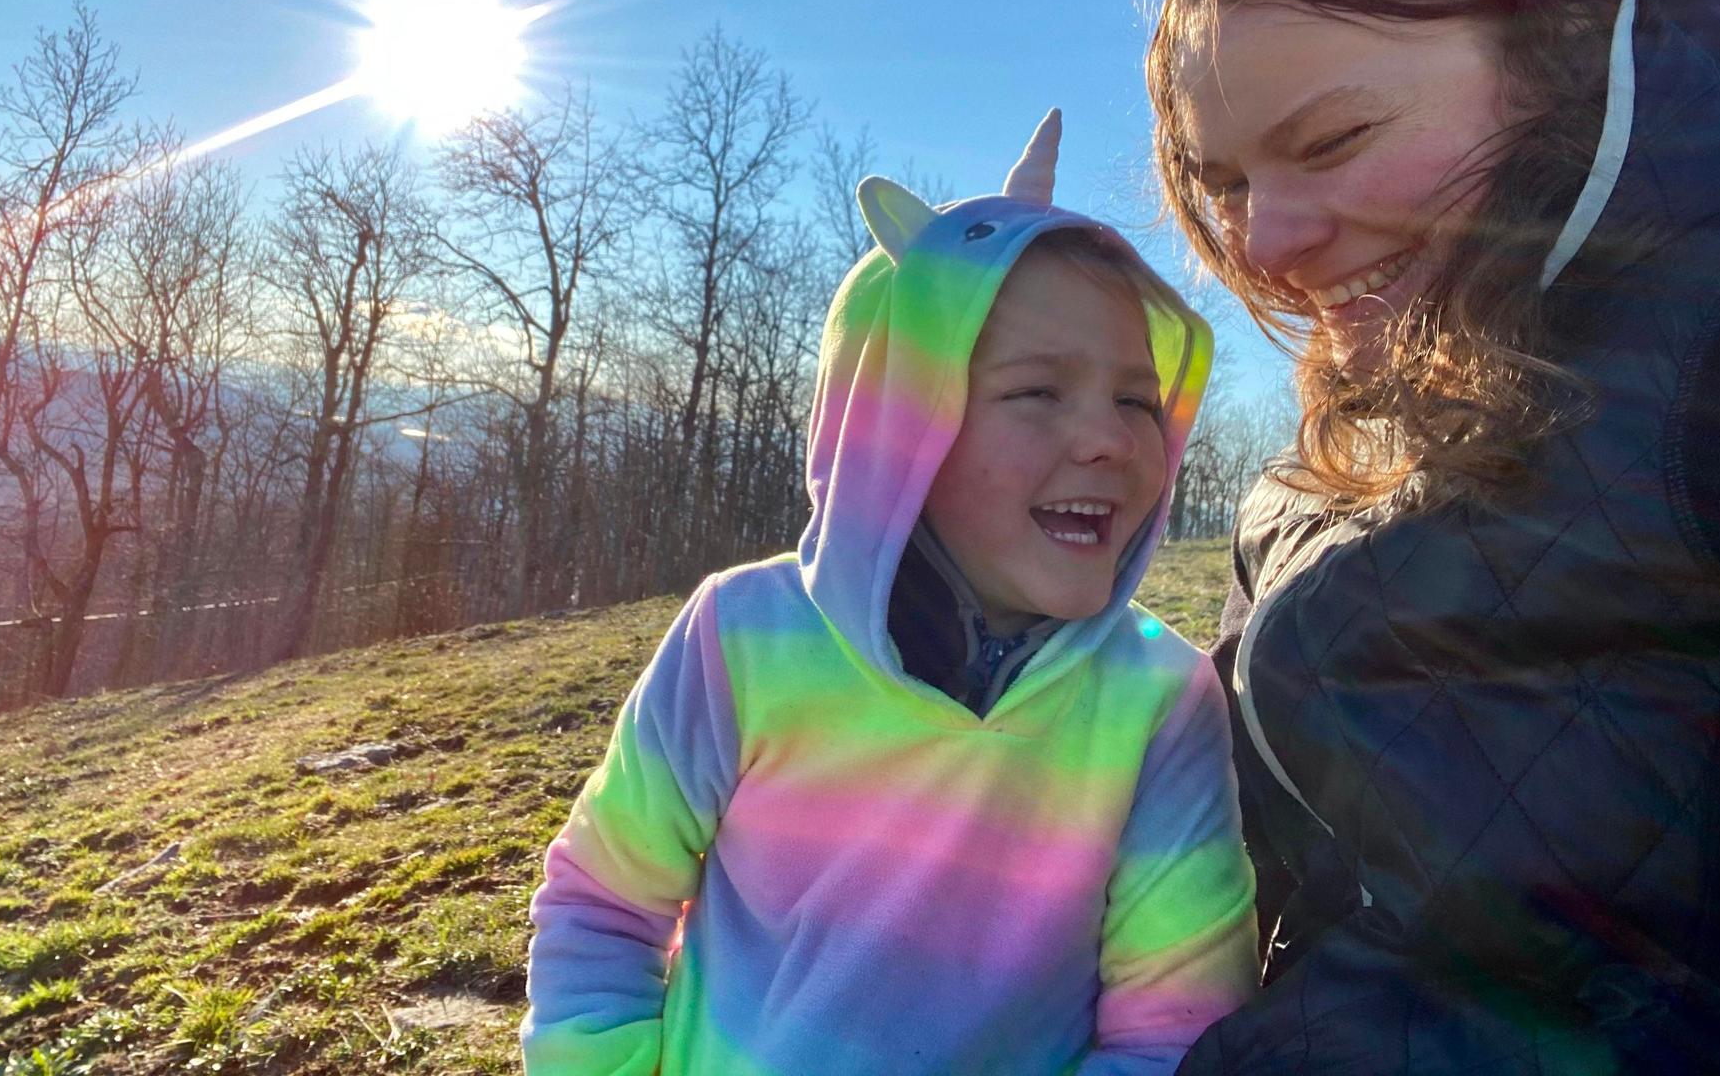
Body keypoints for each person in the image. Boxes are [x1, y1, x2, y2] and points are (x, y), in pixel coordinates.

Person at [1147, 0, 1720, 1071]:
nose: (1266, 244)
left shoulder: (1717, 344)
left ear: (1556, 49)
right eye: (1228, 184)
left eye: (1332, 141)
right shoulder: (1338, 438)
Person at [522, 113, 1258, 1075]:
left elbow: (1176, 1033)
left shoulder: (1159, 702)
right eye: (1037, 392)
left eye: (1135, 399)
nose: (1112, 440)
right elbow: (606, 904)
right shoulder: (742, 638)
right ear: (897, 427)